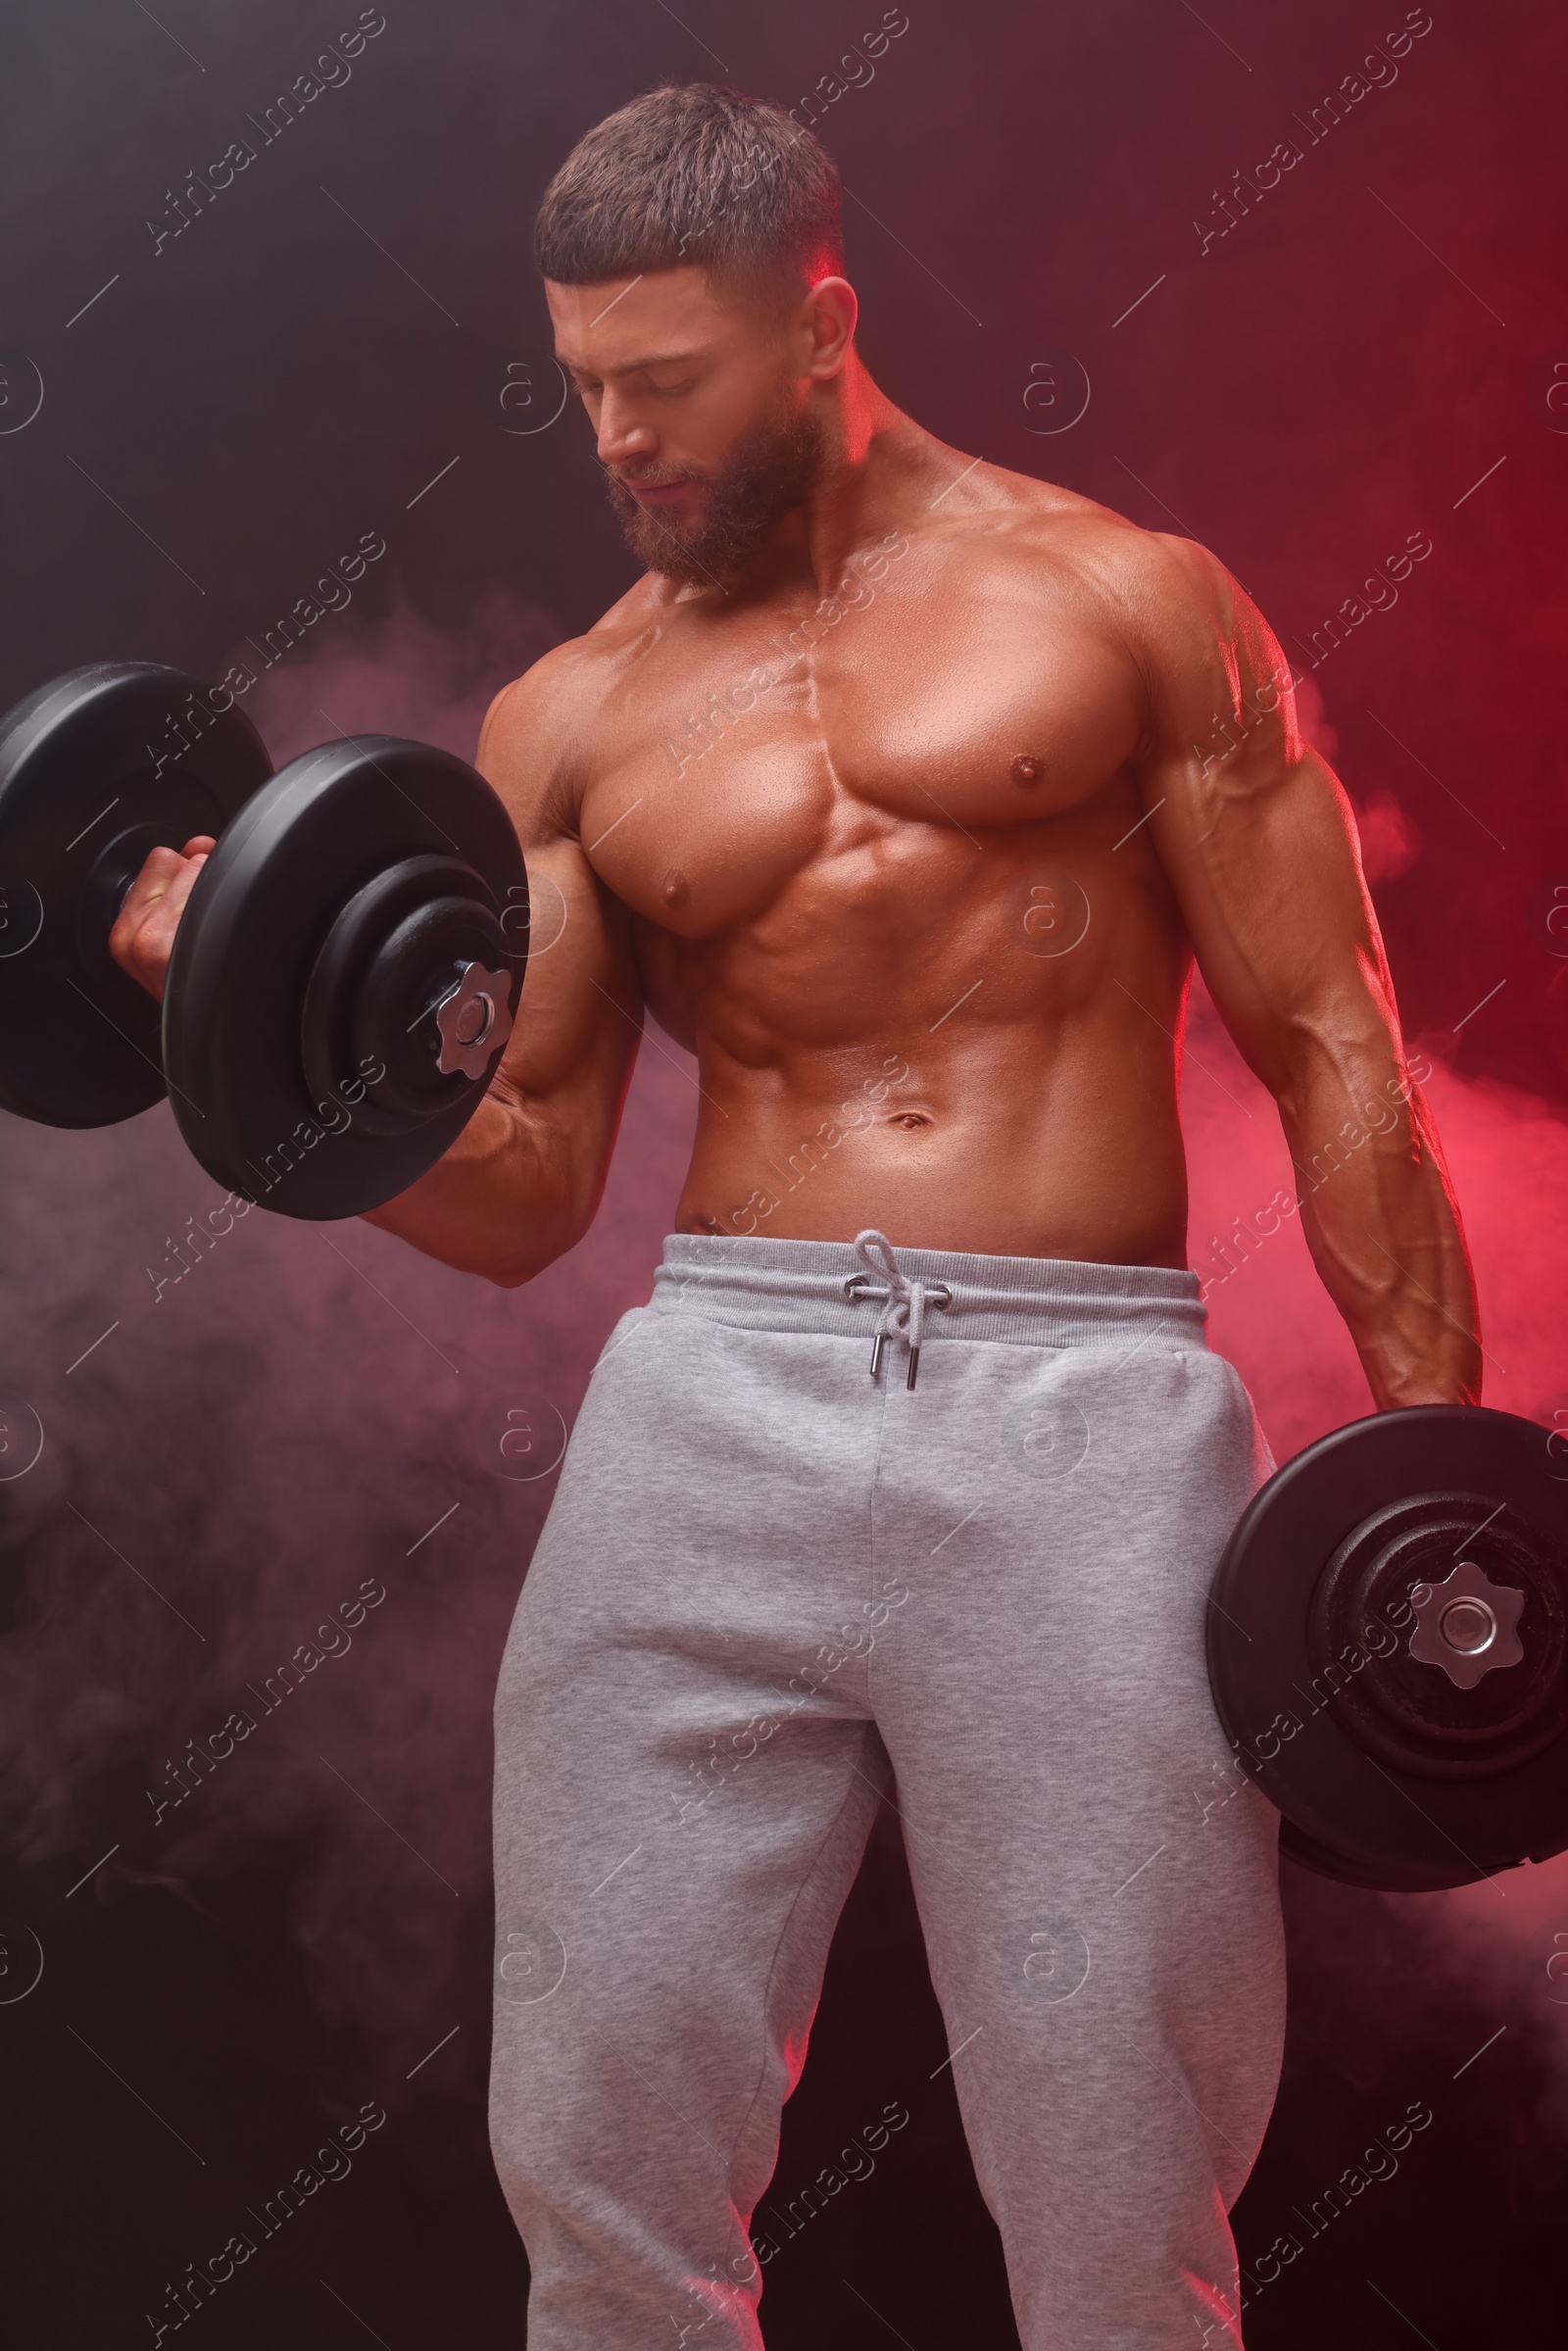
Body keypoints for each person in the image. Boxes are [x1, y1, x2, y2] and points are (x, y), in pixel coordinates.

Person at [111, 79, 1479, 2351]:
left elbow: (1329, 1040)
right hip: (705, 1414)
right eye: (581, 390)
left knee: (1119, 2190)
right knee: (597, 2150)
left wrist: (1447, 1487)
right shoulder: (568, 720)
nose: (615, 438)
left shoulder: (1124, 602)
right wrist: (226, 1041)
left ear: (818, 325)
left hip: (1077, 1427)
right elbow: (530, 1188)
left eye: (665, 382)